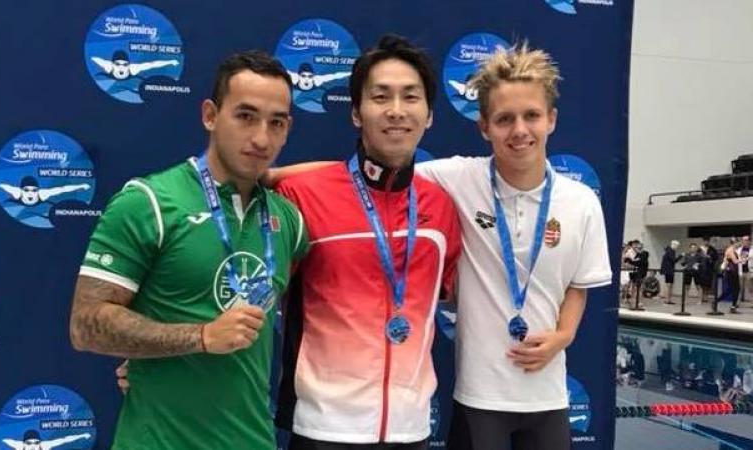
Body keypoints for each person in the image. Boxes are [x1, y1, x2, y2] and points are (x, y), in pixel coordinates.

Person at [68, 50, 308, 450]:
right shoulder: (149, 202)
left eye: (276, 123)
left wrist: (275, 175)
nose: (262, 138)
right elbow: (86, 325)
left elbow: (351, 178)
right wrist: (199, 337)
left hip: (252, 441)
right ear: (210, 115)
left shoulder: (289, 220)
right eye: (245, 116)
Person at [413, 43, 612, 450]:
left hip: (549, 396)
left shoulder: (581, 201)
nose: (520, 130)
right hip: (479, 396)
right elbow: (375, 170)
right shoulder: (457, 179)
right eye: (505, 119)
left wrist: (564, 335)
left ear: (551, 120)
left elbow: (580, 282)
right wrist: (271, 174)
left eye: (531, 116)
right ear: (484, 127)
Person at [274, 35, 462, 449]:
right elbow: (255, 295)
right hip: (323, 430)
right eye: (381, 96)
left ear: (429, 115)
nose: (396, 111)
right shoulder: (302, 196)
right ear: (357, 113)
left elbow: (460, 297)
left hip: (411, 431)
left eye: (411, 97)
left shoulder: (442, 208)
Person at [659, 240, 681, 304]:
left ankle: (668, 299)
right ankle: (667, 299)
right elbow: (673, 260)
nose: (677, 247)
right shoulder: (670, 251)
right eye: (677, 246)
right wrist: (681, 256)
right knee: (669, 285)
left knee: (669, 285)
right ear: (673, 245)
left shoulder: (668, 251)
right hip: (669, 270)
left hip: (668, 270)